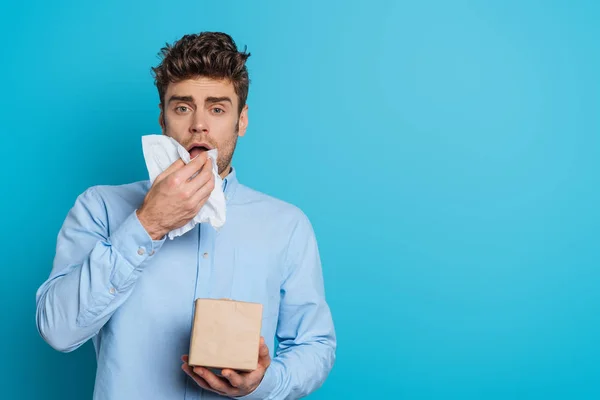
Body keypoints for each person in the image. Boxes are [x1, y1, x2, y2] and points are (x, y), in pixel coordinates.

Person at [35, 32, 336, 400]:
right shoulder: (100, 207)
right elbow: (58, 330)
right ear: (162, 119)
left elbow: (315, 345)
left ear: (241, 121)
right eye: (182, 107)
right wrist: (148, 224)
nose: (199, 125)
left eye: (218, 108)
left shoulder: (287, 226)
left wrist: (263, 383)